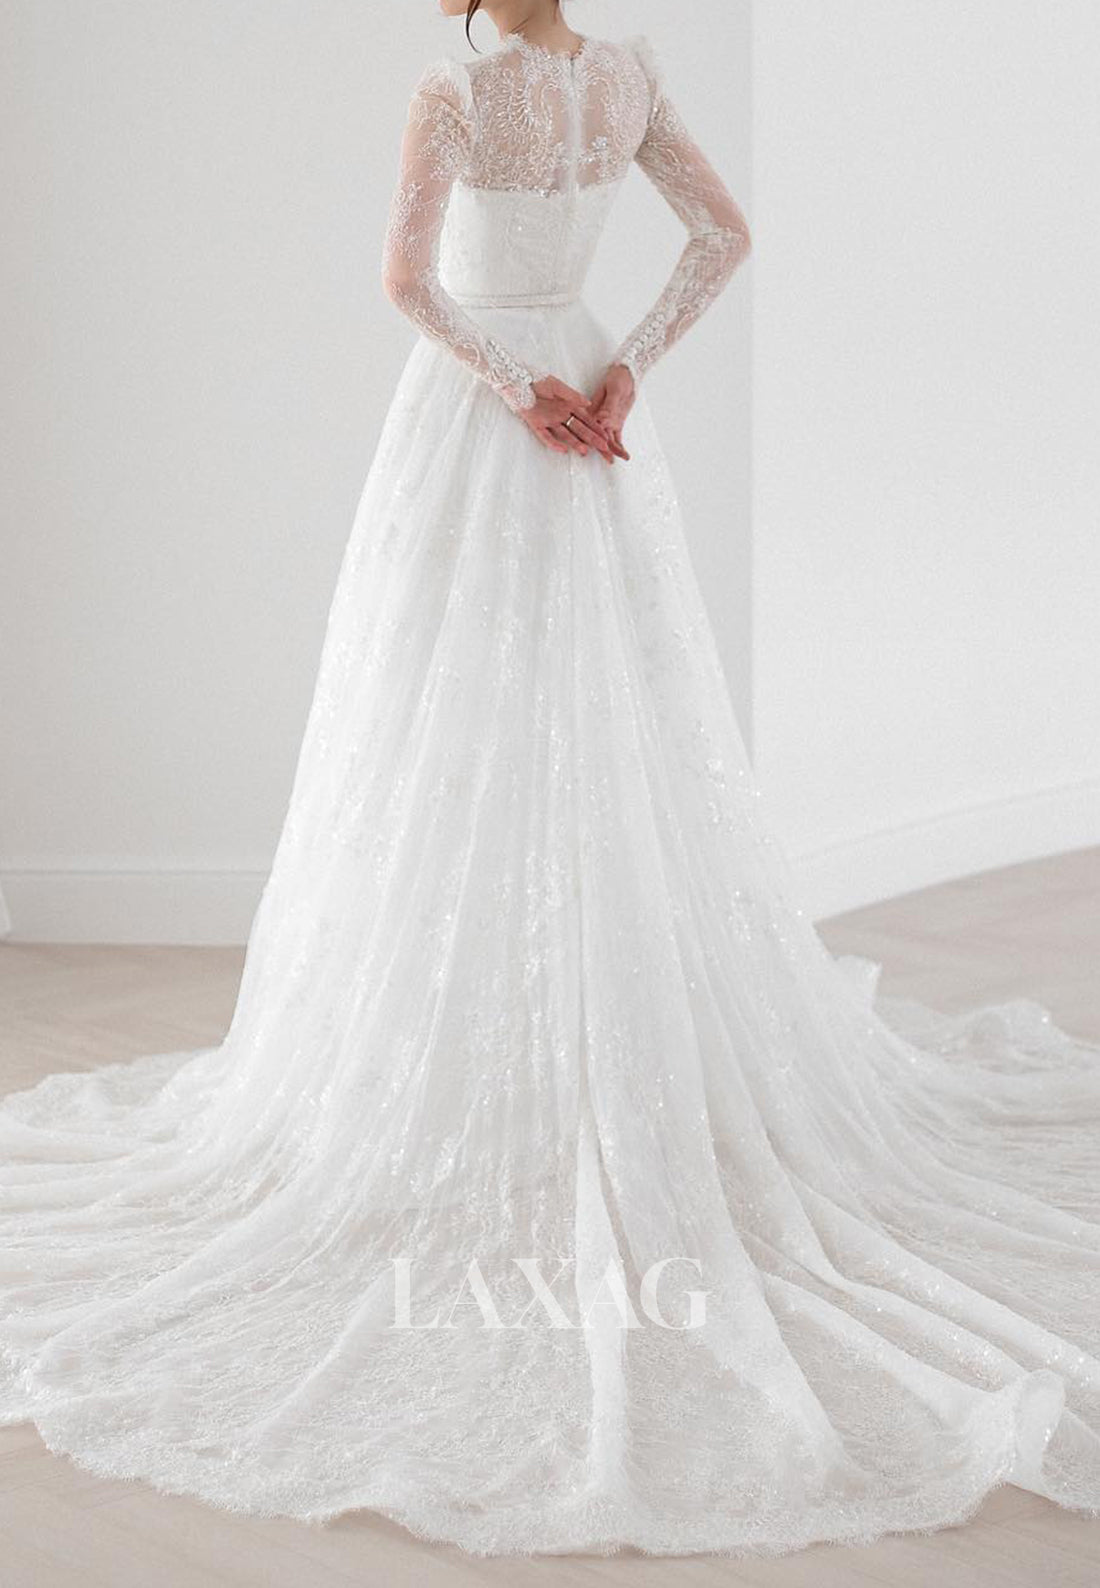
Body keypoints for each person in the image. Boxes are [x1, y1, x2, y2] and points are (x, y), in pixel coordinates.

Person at [1, 0, 1098, 1560]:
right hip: (588, 392)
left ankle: (477, 1044)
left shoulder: (450, 92)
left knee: (440, 707)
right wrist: (617, 370)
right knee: (602, 700)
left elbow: (405, 282)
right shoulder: (629, 78)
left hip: (490, 408)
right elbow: (722, 237)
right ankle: (585, 1017)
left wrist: (515, 382)